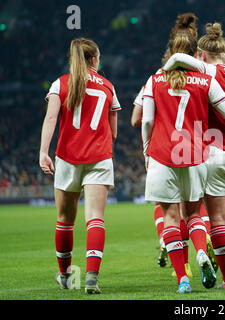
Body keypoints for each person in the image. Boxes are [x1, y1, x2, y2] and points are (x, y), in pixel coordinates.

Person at [142, 32, 225, 294]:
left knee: (171, 217)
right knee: (193, 214)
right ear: (194, 55)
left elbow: (147, 121)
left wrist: (147, 150)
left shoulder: (154, 80)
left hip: (162, 155)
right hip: (194, 155)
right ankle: (202, 254)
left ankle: (182, 278)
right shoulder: (205, 80)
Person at [39, 38, 121, 294]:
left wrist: (43, 152)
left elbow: (51, 117)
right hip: (99, 157)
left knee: (65, 219)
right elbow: (114, 132)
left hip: (67, 158)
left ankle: (65, 276)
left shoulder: (60, 83)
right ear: (95, 59)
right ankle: (91, 279)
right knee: (95, 219)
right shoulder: (108, 86)